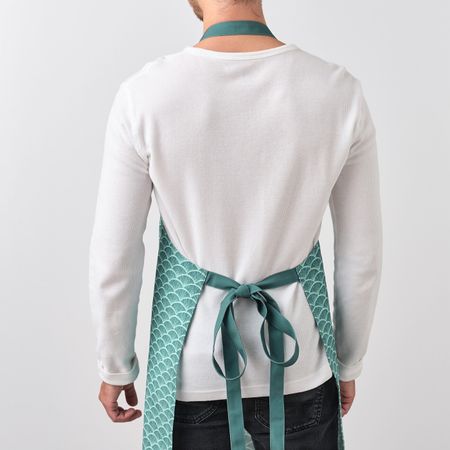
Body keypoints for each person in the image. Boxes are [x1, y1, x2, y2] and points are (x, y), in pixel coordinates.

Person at [89, 1, 383, 449]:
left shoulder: (145, 96)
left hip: (192, 375)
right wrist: (349, 360)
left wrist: (116, 364)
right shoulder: (337, 91)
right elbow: (361, 256)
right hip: (301, 366)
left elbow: (115, 256)